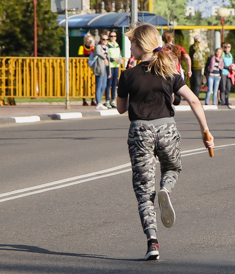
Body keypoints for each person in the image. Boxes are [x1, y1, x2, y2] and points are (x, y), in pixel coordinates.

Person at [115, 23, 214, 261]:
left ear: (140, 45)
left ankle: (153, 243)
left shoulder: (128, 75)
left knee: (143, 192)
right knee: (171, 168)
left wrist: (129, 83)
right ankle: (166, 189)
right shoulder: (169, 71)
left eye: (131, 43)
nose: (130, 47)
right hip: (167, 129)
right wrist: (205, 131)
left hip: (140, 133)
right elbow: (193, 101)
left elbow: (120, 108)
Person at [88, 34, 111, 110]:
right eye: (103, 39)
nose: (105, 41)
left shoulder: (107, 48)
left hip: (105, 69)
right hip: (99, 68)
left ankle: (100, 101)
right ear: (101, 40)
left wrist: (109, 72)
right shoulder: (98, 47)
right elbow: (98, 53)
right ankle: (98, 103)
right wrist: (105, 58)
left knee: (104, 85)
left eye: (107, 39)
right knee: (99, 85)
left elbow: (109, 60)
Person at [104, 31, 124, 109]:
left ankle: (113, 100)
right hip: (110, 66)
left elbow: (119, 54)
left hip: (116, 66)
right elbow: (107, 56)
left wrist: (120, 59)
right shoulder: (107, 45)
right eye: (111, 36)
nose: (113, 38)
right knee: (109, 83)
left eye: (114, 36)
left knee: (114, 83)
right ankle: (107, 100)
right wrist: (113, 59)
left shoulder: (117, 45)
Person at [78, 35, 96, 106]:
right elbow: (80, 56)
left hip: (92, 69)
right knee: (84, 85)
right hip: (84, 68)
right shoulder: (82, 47)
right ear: (85, 40)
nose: (90, 41)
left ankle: (93, 99)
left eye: (91, 40)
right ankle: (84, 100)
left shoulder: (94, 48)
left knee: (92, 84)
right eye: (88, 40)